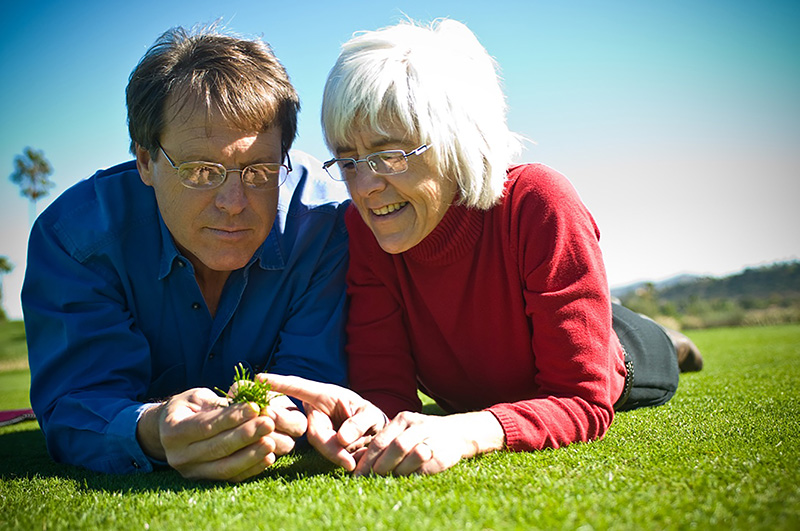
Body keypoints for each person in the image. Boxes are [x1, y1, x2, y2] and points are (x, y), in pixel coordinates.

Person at [262, 18, 703, 476]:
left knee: (646, 345)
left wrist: (467, 431)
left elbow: (581, 399)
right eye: (349, 160)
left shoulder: (538, 201)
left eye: (390, 154)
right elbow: (385, 389)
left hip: (629, 357)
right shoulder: (364, 229)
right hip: (480, 390)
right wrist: (371, 422)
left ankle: (668, 337)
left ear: (455, 142)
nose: (366, 186)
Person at [22, 26, 350, 482]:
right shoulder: (75, 239)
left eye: (259, 170)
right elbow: (80, 401)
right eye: (201, 171)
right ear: (145, 161)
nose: (233, 201)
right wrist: (152, 429)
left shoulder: (325, 222)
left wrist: (280, 409)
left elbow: (313, 375)